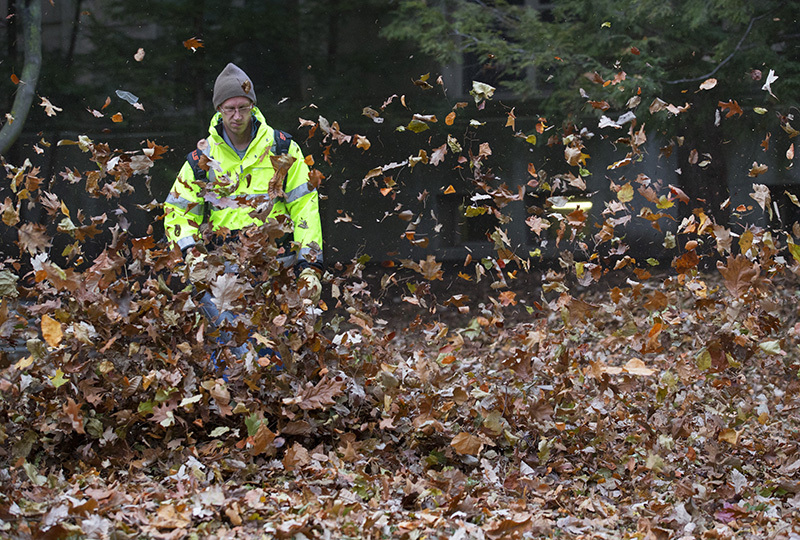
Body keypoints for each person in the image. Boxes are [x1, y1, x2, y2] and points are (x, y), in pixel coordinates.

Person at [164, 62, 322, 360]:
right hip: (224, 273)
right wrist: (191, 253)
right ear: (219, 110)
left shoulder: (281, 148)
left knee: (275, 352)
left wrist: (310, 265)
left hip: (277, 267)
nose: (237, 117)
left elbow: (305, 207)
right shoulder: (203, 158)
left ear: (253, 106)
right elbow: (178, 211)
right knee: (229, 353)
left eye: (243, 108)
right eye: (229, 109)